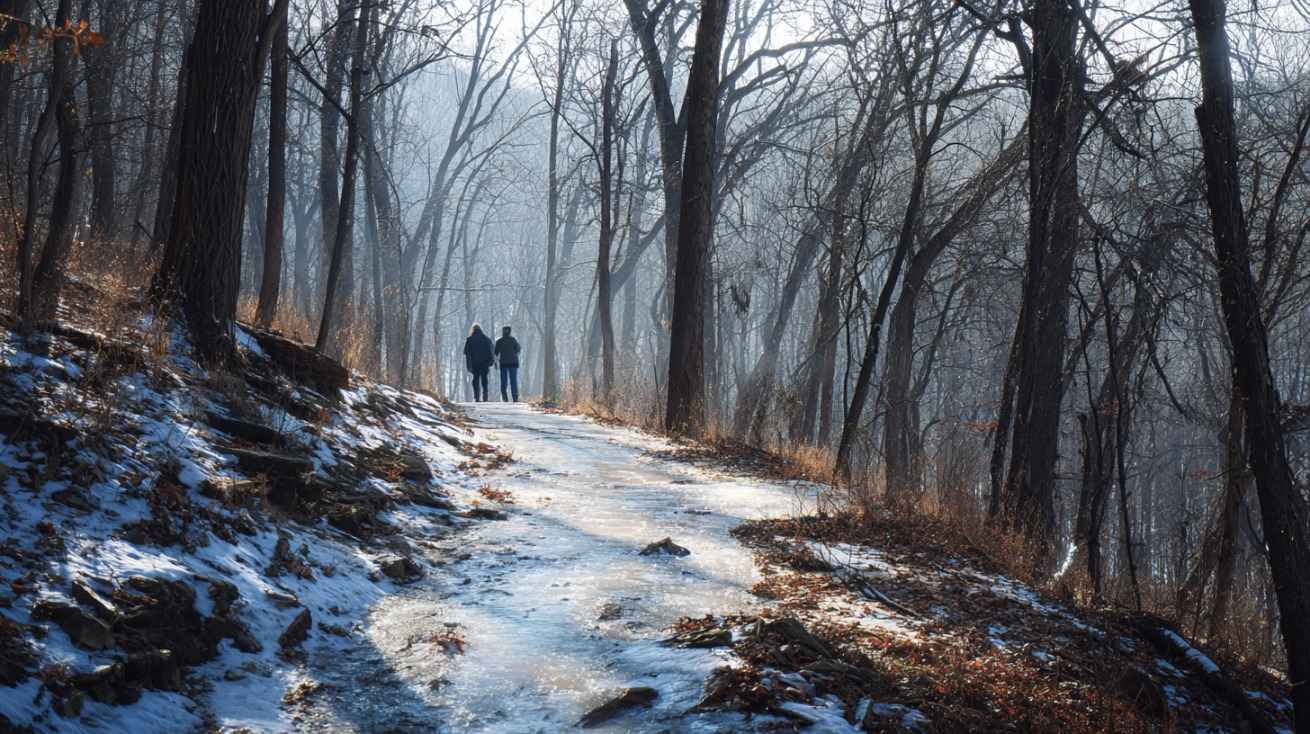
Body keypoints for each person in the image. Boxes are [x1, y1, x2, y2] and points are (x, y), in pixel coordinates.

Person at [463, 323, 494, 402]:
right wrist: (491, 361)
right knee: (484, 379)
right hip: (485, 362)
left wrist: (469, 365)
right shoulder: (486, 339)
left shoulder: (469, 339)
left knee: (475, 379)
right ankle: (485, 394)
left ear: (473, 330)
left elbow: (467, 353)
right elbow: (491, 351)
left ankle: (477, 396)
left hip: (475, 363)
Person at [494, 325, 521, 402]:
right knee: (513, 380)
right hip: (513, 363)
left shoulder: (499, 341)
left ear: (502, 331)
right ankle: (515, 397)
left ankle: (504, 397)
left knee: (504, 380)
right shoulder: (513, 340)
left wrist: (496, 363)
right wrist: (514, 354)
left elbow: (495, 353)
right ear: (510, 331)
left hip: (503, 363)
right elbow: (518, 349)